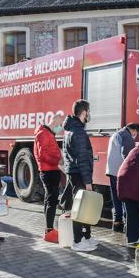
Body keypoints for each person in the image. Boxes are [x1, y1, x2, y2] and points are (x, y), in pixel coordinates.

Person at [62, 99, 98, 252]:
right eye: (88, 111)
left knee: (81, 206)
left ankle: (86, 237)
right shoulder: (79, 132)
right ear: (83, 112)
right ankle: (78, 241)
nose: (89, 114)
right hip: (79, 174)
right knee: (80, 208)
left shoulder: (70, 129)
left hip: (73, 172)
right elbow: (82, 158)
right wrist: (88, 182)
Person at [34, 114, 64, 243]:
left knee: (49, 199)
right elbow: (43, 154)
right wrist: (58, 160)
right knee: (51, 200)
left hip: (50, 170)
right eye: (60, 125)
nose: (61, 128)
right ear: (55, 122)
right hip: (49, 170)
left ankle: (49, 229)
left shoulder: (47, 133)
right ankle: (49, 231)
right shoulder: (44, 134)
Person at [105, 123, 139, 233]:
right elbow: (128, 155)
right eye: (136, 133)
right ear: (134, 130)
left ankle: (117, 223)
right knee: (126, 197)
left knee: (116, 198)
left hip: (111, 170)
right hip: (120, 171)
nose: (135, 135)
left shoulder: (116, 134)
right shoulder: (127, 136)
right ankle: (128, 225)